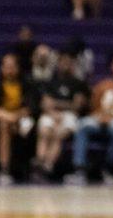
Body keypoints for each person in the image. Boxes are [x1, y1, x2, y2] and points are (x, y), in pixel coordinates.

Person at [66, 52, 113, 185]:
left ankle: (108, 169)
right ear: (111, 67)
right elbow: (94, 108)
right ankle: (80, 170)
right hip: (100, 121)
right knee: (83, 124)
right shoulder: (102, 86)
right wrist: (100, 116)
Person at [33, 50, 89, 181]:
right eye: (63, 62)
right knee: (45, 131)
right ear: (58, 64)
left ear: (73, 65)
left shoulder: (78, 83)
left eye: (69, 63)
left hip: (69, 116)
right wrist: (55, 111)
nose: (66, 65)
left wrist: (57, 104)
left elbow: (77, 106)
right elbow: (45, 104)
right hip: (51, 114)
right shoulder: (50, 82)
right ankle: (40, 163)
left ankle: (47, 166)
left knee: (59, 134)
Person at [0, 52, 35, 185]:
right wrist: (7, 116)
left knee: (26, 125)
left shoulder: (27, 84)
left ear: (18, 68)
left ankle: (35, 167)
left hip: (19, 119)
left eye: (12, 67)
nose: (9, 70)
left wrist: (15, 117)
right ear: (2, 68)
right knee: (5, 124)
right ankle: (4, 169)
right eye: (6, 67)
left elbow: (31, 108)